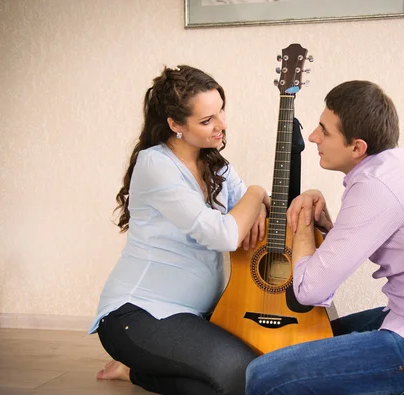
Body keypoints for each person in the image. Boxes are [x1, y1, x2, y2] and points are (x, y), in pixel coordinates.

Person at [245, 80, 404, 394]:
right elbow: (357, 246)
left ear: (357, 147)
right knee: (308, 336)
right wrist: (324, 223)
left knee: (262, 376)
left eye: (324, 130)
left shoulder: (376, 188)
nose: (312, 137)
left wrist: (304, 223)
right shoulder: (390, 170)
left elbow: (309, 291)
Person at [88, 65, 270, 395]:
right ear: (175, 125)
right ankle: (136, 360)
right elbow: (226, 234)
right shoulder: (156, 164)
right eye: (207, 120)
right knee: (243, 375)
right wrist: (256, 192)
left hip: (196, 316)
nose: (222, 125)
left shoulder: (217, 165)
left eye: (221, 111)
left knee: (239, 378)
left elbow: (256, 217)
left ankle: (134, 373)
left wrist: (262, 205)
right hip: (137, 315)